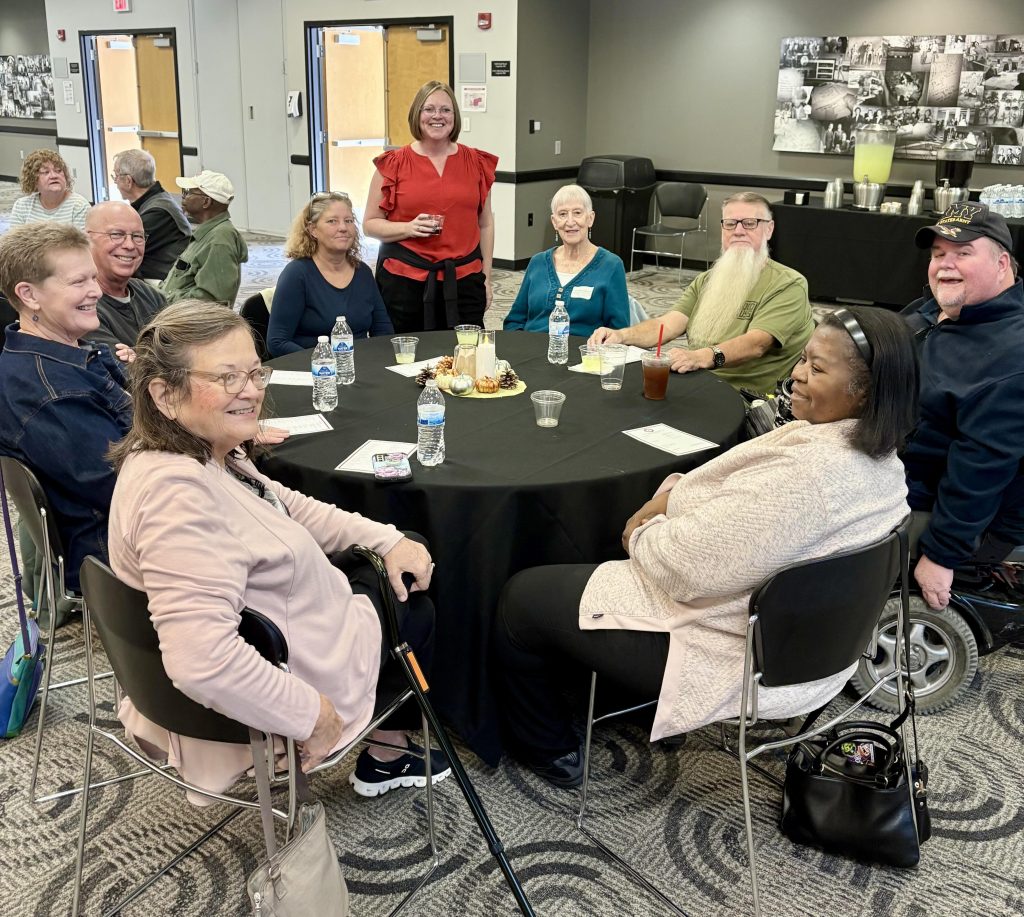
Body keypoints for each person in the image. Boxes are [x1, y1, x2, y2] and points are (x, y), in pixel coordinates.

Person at [496, 307, 918, 787]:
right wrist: (674, 500)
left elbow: (686, 571)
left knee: (523, 598)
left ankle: (546, 745)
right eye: (803, 359)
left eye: (817, 369)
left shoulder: (810, 480)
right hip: (814, 649)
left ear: (866, 390)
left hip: (732, 653)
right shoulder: (884, 464)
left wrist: (640, 529)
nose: (797, 376)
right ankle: (621, 697)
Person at [106, 300, 450, 799]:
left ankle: (389, 741)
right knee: (417, 602)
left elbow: (287, 504)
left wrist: (387, 538)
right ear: (164, 394)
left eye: (253, 372)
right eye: (227, 378)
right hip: (276, 674)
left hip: (280, 626)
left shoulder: (198, 450)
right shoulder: (175, 496)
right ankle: (390, 749)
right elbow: (202, 661)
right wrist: (312, 714)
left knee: (402, 550)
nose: (251, 392)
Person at [903, 203, 1024, 611]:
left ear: (1002, 263)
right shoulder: (940, 311)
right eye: (938, 254)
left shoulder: (1011, 357)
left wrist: (941, 555)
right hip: (900, 469)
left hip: (957, 513)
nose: (944, 265)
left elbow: (981, 469)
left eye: (963, 253)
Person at [0, 223, 131, 598]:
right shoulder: (51, 392)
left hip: (124, 527)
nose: (96, 290)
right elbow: (128, 489)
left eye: (94, 277)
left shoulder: (60, 357)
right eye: (78, 282)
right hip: (116, 552)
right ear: (29, 295)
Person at [590, 192, 813, 397]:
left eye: (750, 223)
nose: (738, 231)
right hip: (696, 384)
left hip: (744, 399)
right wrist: (621, 336)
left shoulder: (788, 284)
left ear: (769, 229)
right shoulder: (706, 280)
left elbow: (756, 344)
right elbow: (666, 325)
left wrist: (701, 357)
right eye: (730, 223)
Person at [363, 81, 498, 332]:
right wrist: (408, 228)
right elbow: (370, 224)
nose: (438, 116)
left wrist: (487, 278)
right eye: (429, 109)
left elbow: (485, 223)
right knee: (406, 358)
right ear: (417, 114)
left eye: (446, 110)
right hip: (405, 281)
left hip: (464, 280)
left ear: (455, 117)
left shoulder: (477, 163)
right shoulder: (393, 163)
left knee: (466, 356)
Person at [267, 192, 393, 357]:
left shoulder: (363, 272)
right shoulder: (297, 274)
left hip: (361, 366)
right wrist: (325, 362)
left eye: (348, 221)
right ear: (313, 230)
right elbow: (277, 342)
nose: (343, 227)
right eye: (332, 221)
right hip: (316, 370)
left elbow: (383, 330)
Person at [502, 184, 630, 338]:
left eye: (577, 213)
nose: (570, 222)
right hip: (531, 352)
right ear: (554, 222)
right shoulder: (538, 263)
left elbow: (618, 333)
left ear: (590, 219)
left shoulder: (611, 266)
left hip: (584, 356)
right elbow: (514, 321)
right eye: (562, 214)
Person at [84, 202, 167, 360]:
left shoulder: (149, 295)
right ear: (87, 239)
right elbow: (124, 373)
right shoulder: (82, 306)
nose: (129, 245)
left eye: (137, 236)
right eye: (116, 234)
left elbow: (181, 350)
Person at [161, 170, 248, 307]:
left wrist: (166, 298)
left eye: (189, 192)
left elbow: (212, 300)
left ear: (206, 202)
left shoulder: (220, 240)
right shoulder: (209, 233)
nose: (183, 196)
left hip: (191, 324)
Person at [111, 149, 191, 281]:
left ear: (128, 181)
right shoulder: (157, 201)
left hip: (161, 283)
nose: (115, 182)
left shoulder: (157, 213)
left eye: (116, 176)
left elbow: (122, 249)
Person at [10, 149, 90, 231]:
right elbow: (14, 242)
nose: (54, 176)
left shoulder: (79, 206)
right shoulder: (22, 206)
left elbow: (82, 243)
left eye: (58, 171)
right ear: (33, 179)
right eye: (46, 172)